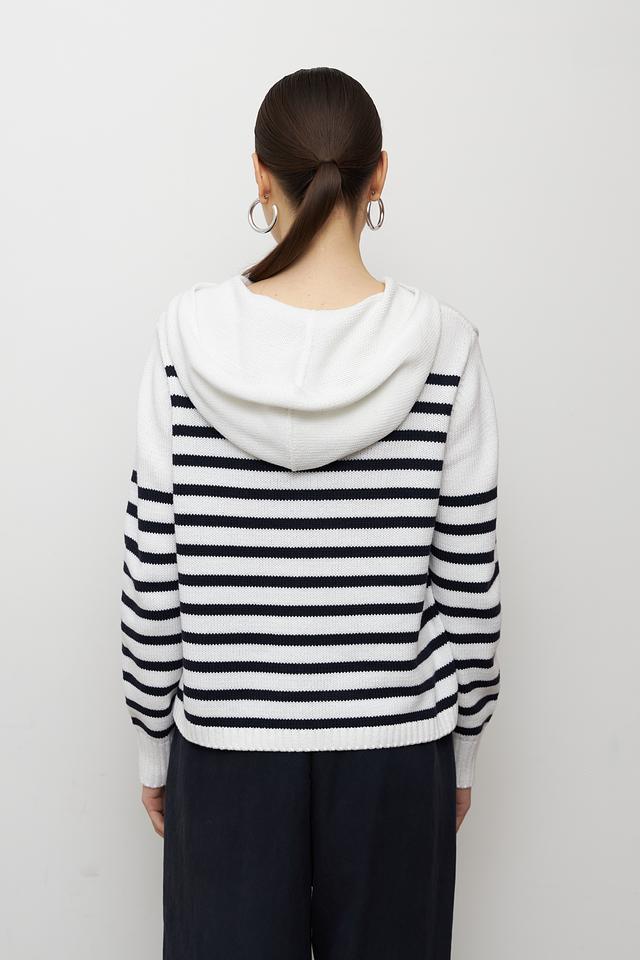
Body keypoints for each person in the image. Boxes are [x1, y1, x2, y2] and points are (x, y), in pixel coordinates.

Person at [120, 66, 502, 960]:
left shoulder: (185, 339)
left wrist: (153, 746)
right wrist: (463, 751)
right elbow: (470, 586)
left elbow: (153, 573)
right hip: (397, 755)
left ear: (260, 174)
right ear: (380, 174)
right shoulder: (444, 346)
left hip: (226, 752)